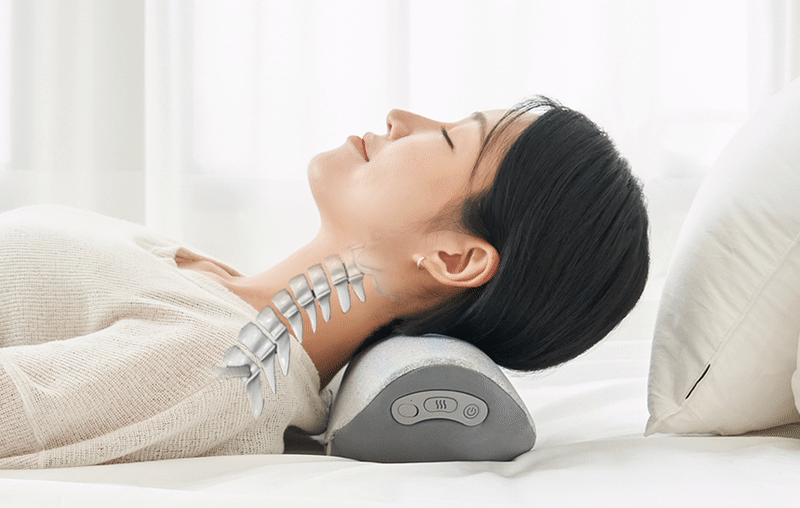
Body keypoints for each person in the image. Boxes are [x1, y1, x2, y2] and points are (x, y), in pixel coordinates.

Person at [0, 96, 649, 468]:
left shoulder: (227, 367)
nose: (401, 117)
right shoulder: (219, 296)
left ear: (454, 259)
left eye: (451, 138)